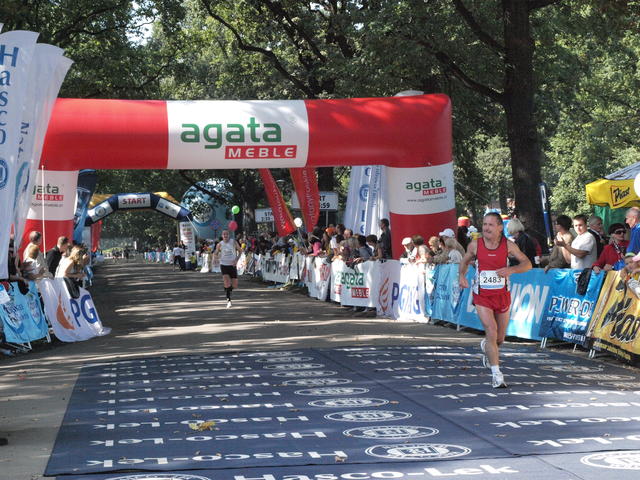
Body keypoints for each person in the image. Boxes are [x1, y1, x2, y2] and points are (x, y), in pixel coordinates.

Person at [459, 212, 532, 389]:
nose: (486, 228)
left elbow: (527, 264)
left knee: (499, 338)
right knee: (491, 330)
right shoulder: (475, 245)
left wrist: (511, 270)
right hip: (482, 295)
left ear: (500, 227)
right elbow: (465, 261)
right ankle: (496, 374)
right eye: (484, 224)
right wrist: (461, 276)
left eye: (491, 225)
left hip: (502, 295)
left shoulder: (509, 245)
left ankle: (488, 348)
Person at [215, 229, 241, 308]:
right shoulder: (220, 244)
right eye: (224, 234)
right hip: (224, 265)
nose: (225, 235)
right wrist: (216, 258)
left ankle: (227, 289)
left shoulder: (233, 242)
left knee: (235, 285)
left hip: (232, 265)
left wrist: (236, 260)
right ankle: (228, 300)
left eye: (227, 234)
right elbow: (216, 253)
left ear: (229, 235)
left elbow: (240, 251)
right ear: (222, 236)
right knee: (226, 282)